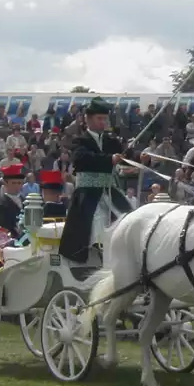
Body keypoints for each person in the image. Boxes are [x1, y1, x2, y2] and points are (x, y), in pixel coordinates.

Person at [58, 97, 143, 263]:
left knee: (127, 217)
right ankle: (94, 258)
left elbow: (127, 155)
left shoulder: (111, 141)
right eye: (99, 118)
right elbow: (82, 158)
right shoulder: (79, 140)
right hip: (87, 196)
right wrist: (109, 160)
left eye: (105, 119)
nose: (103, 122)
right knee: (94, 225)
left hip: (111, 193)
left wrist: (142, 157)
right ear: (88, 119)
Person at [0, 164, 25, 238]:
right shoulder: (1, 204)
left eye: (19, 183)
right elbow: (3, 227)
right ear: (6, 183)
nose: (17, 186)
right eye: (13, 183)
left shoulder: (26, 201)